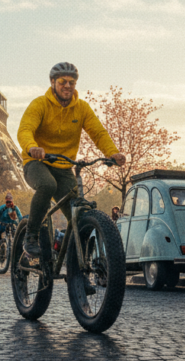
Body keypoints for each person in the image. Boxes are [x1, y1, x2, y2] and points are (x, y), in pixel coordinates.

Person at [17, 62, 125, 257]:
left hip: (63, 166)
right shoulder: (39, 104)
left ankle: (80, 268)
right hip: (37, 162)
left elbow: (98, 132)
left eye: (72, 82)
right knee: (47, 185)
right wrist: (32, 147)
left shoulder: (82, 108)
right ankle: (31, 235)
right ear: (52, 82)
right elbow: (25, 129)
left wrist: (112, 153)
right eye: (63, 82)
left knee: (79, 216)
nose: (68, 86)